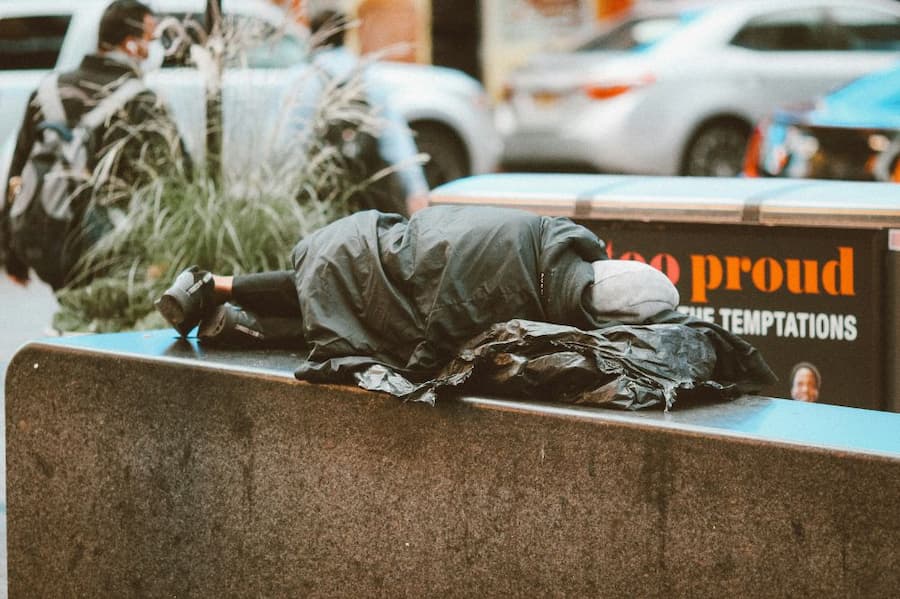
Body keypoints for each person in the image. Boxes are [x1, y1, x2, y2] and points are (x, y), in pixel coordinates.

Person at [155, 205, 680, 376]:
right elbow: (444, 327)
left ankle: (216, 288)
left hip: (391, 243)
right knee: (364, 325)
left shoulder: (547, 234)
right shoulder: (532, 302)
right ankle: (248, 326)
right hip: (404, 276)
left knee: (339, 287)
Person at [0, 0, 190, 288]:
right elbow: (176, 181)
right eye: (151, 40)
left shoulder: (49, 88)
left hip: (43, 241)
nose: (155, 50)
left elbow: (17, 168)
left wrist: (10, 254)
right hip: (111, 252)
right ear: (131, 46)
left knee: (71, 316)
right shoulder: (143, 101)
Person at [282, 8, 429, 216]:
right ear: (346, 36)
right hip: (367, 192)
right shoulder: (367, 74)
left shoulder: (303, 79)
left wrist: (286, 192)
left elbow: (292, 141)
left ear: (313, 35)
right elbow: (394, 137)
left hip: (322, 194)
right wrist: (416, 189)